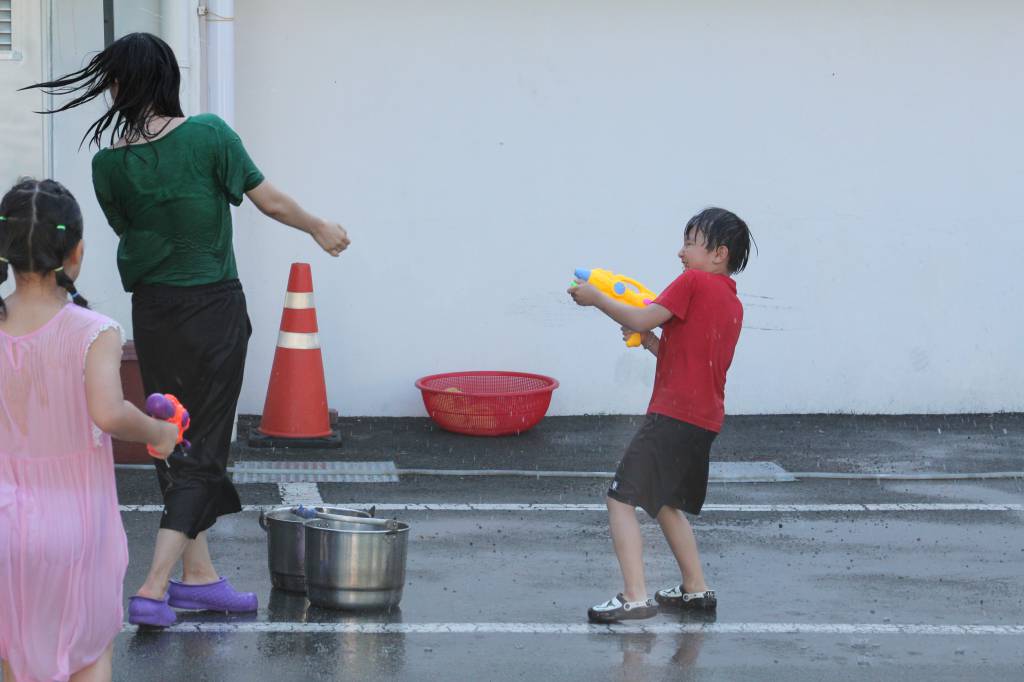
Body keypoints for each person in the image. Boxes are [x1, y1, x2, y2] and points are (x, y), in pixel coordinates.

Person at [23, 32, 351, 628]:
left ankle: (199, 578)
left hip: (153, 312)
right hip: (214, 310)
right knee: (202, 446)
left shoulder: (108, 165)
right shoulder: (208, 135)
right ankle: (153, 587)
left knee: (171, 432)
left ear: (118, 86)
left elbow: (132, 230)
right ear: (169, 79)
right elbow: (269, 201)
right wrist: (318, 227)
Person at [0, 179, 178, 682]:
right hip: (75, 526)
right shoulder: (92, 329)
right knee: (89, 653)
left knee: (16, 656)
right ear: (75, 253)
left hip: (4, 525)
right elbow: (109, 412)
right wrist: (158, 433)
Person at [567, 207, 754, 622]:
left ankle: (634, 596)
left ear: (719, 253)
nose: (681, 252)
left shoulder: (692, 283)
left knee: (620, 499)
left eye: (690, 242)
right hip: (702, 421)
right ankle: (696, 589)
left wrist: (597, 298)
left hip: (672, 416)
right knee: (666, 502)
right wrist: (652, 342)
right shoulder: (731, 302)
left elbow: (637, 314)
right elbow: (690, 358)